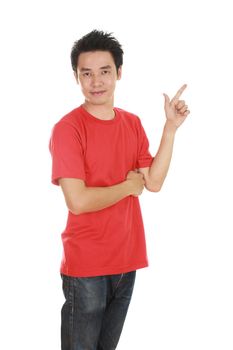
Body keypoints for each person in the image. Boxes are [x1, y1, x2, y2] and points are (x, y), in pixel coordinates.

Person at [49, 29, 190, 350]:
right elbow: (78, 201)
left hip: (126, 259)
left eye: (105, 72)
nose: (96, 81)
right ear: (76, 77)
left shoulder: (132, 123)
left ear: (119, 73)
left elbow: (152, 182)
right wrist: (128, 186)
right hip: (86, 266)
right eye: (87, 73)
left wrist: (170, 129)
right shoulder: (68, 129)